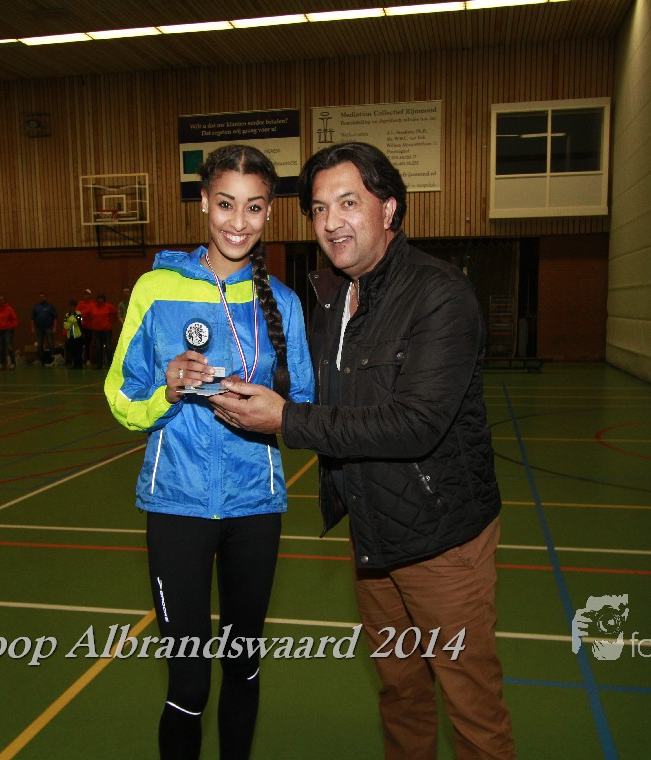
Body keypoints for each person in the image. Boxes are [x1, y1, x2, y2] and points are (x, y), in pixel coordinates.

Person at [211, 142, 515, 759]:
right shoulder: (331, 298)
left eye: (349, 203)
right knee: (401, 693)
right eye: (320, 209)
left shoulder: (439, 294)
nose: (331, 223)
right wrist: (221, 374)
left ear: (389, 208)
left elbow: (415, 425)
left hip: (442, 540)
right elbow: (318, 393)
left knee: (472, 707)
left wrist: (285, 419)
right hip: (373, 535)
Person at [105, 144, 313, 760]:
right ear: (203, 203)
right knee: (189, 684)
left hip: (256, 507)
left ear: (269, 212)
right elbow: (121, 396)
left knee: (243, 666)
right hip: (177, 507)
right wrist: (166, 391)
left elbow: (304, 406)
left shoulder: (284, 303)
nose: (238, 222)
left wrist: (274, 412)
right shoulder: (155, 289)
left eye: (254, 207)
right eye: (226, 204)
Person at [87, 293, 116, 370]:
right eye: (99, 298)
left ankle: (110, 364)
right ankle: (99, 365)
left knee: (108, 347)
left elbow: (115, 312)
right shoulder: (93, 307)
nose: (100, 300)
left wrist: (112, 321)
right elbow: (88, 316)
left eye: (101, 298)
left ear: (104, 300)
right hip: (96, 330)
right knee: (98, 347)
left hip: (107, 330)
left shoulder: (108, 306)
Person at [0, 294, 19, 370]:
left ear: (5, 300)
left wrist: (12, 326)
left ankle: (13, 363)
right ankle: (2, 363)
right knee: (1, 347)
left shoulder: (9, 309)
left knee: (9, 346)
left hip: (7, 330)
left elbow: (14, 319)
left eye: (2, 299)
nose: (0, 301)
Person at [31, 291, 58, 364]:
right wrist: (32, 328)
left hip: (48, 327)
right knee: (39, 343)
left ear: (46, 297)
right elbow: (33, 318)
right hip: (39, 328)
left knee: (50, 342)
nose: (41, 298)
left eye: (43, 297)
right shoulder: (36, 307)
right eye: (40, 297)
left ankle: (54, 358)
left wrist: (54, 327)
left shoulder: (50, 306)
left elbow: (55, 318)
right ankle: (40, 359)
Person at [62, 300, 84, 370]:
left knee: (78, 351)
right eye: (70, 306)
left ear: (75, 307)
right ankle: (74, 364)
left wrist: (70, 322)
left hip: (78, 335)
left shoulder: (79, 313)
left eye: (72, 306)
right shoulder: (67, 315)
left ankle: (79, 365)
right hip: (70, 335)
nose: (71, 308)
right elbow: (65, 325)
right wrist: (71, 321)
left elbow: (78, 321)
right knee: (70, 349)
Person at [77, 288, 96, 366]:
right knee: (81, 343)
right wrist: (81, 318)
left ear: (90, 295)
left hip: (90, 327)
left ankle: (89, 359)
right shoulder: (80, 303)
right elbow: (78, 314)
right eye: (85, 294)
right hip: (81, 327)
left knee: (89, 343)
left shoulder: (93, 304)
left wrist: (86, 314)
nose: (86, 296)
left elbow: (93, 314)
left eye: (87, 294)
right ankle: (81, 359)